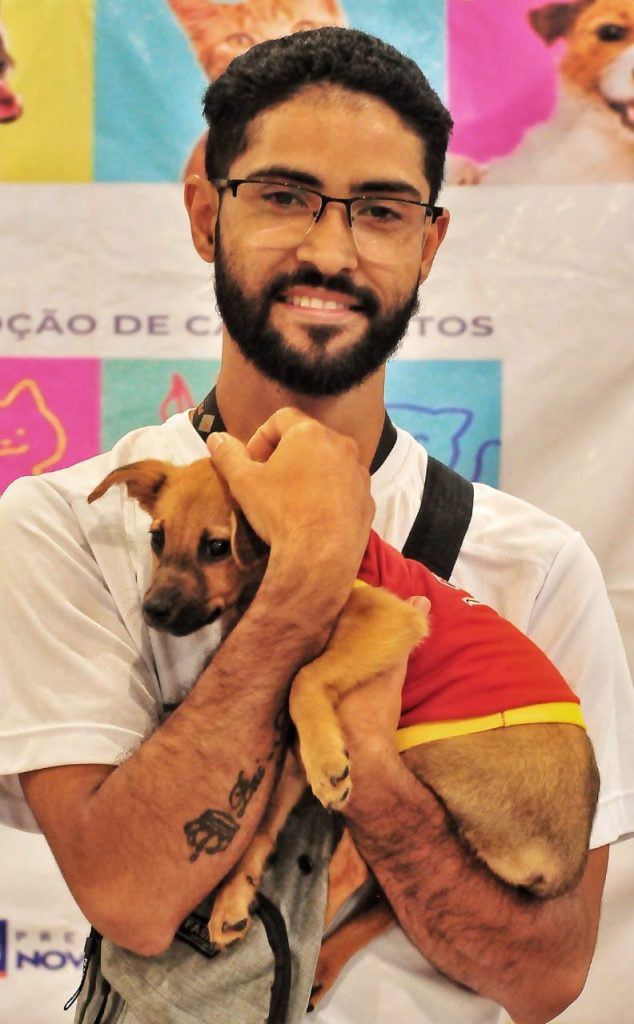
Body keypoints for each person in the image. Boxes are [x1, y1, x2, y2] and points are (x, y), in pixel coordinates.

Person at [1, 25, 633, 1024]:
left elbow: (545, 974)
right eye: (284, 196)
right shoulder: (63, 527)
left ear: (428, 244)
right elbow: (129, 895)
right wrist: (303, 582)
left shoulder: (537, 565)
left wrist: (371, 774)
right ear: (205, 214)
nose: (330, 251)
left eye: (380, 210)